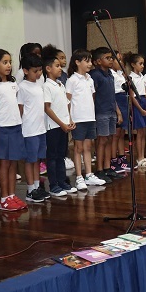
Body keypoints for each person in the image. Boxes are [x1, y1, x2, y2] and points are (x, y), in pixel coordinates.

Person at [0, 46, 27, 212]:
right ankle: (3, 198)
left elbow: (17, 105)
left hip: (15, 128)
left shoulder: (13, 84)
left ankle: (11, 195)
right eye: (4, 62)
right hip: (1, 129)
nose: (8, 65)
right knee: (3, 165)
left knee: (12, 165)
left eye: (10, 62)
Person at [65, 49, 106, 190]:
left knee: (88, 147)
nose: (89, 63)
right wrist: (69, 118)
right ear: (77, 62)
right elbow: (67, 101)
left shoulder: (90, 79)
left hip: (90, 118)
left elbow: (92, 98)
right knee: (78, 148)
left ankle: (89, 174)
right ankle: (78, 177)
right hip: (78, 119)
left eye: (90, 60)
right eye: (86, 61)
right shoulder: (72, 80)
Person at [42, 46, 76, 197]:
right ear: (48, 69)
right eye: (56, 66)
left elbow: (66, 105)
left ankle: (63, 182)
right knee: (53, 156)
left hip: (63, 126)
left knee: (61, 155)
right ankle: (54, 185)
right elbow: (47, 108)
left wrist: (69, 120)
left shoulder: (61, 85)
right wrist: (61, 124)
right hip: (53, 127)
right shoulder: (46, 86)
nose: (60, 68)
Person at [17, 53, 50, 202]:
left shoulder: (38, 85)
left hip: (40, 129)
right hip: (29, 130)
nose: (38, 74)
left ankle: (37, 186)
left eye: (40, 70)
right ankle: (30, 190)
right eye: (35, 71)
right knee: (30, 161)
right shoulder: (22, 87)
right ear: (25, 71)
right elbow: (20, 109)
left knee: (37, 160)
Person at [90, 47, 122, 183]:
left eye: (111, 58)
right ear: (98, 61)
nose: (111, 60)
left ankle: (108, 167)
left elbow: (112, 95)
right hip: (101, 112)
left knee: (109, 139)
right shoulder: (95, 75)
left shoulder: (110, 74)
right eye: (107, 58)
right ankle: (99, 169)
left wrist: (118, 112)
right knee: (101, 140)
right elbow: (93, 95)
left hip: (110, 111)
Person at [128, 53, 146, 168]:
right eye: (140, 63)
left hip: (144, 102)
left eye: (143, 63)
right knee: (139, 133)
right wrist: (140, 109)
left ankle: (143, 157)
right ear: (133, 65)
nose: (142, 66)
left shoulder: (142, 76)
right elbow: (132, 96)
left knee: (144, 132)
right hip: (137, 104)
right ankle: (139, 158)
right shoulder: (131, 78)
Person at [110, 51, 130, 174]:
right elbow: (113, 94)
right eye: (118, 60)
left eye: (121, 60)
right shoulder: (111, 75)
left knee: (122, 133)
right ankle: (113, 160)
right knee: (115, 134)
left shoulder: (120, 74)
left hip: (124, 101)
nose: (121, 62)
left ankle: (122, 157)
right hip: (117, 101)